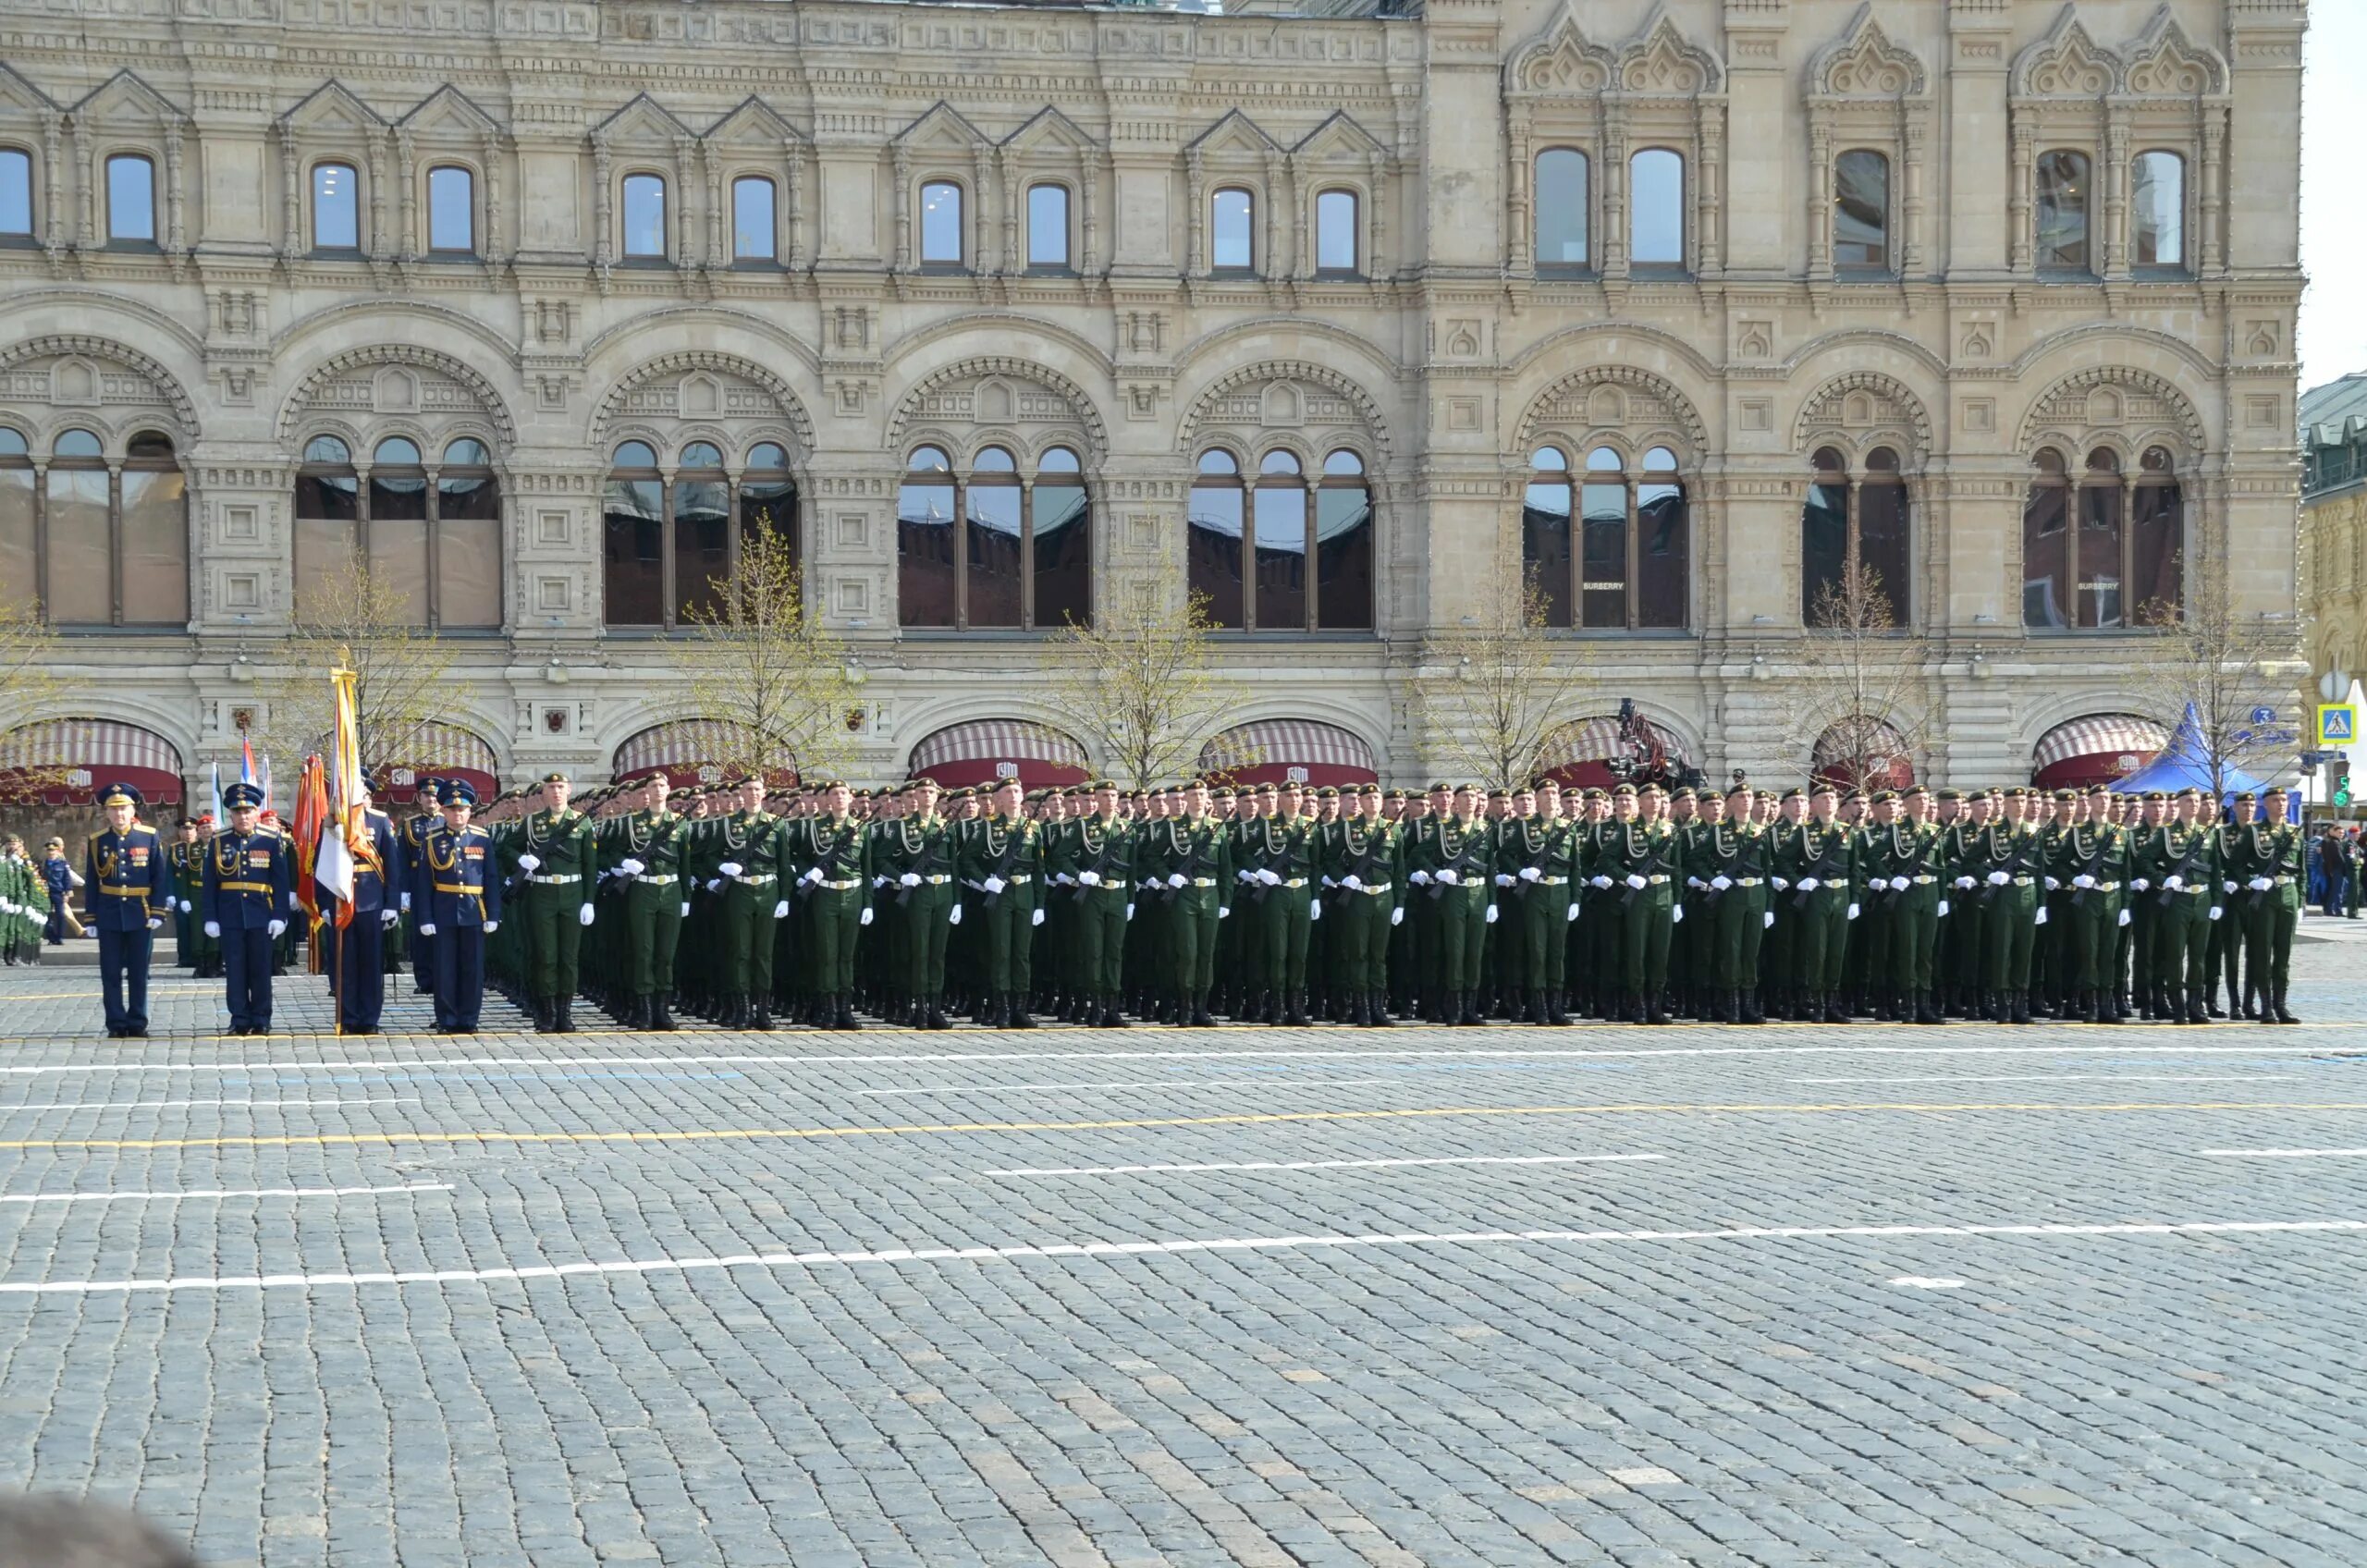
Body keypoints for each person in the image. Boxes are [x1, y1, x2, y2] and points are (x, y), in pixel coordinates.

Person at [501, 772, 596, 1034]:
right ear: (544, 792)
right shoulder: (532, 823)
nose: (556, 791)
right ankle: (547, 1012)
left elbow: (590, 865)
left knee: (568, 956)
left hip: (573, 893)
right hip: (541, 894)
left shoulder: (583, 823)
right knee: (546, 956)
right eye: (551, 787)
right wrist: (521, 860)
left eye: (560, 787)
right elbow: (506, 848)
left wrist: (589, 901)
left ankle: (565, 1012)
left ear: (569, 790)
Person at [201, 781, 292, 1036]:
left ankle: (262, 1018)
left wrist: (279, 915)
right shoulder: (219, 840)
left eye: (248, 811)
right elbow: (210, 882)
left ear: (256, 812)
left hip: (261, 912)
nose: (243, 816)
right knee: (236, 970)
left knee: (261, 969)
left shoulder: (271, 839)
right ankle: (239, 1018)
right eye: (238, 811)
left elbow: (281, 882)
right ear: (230, 814)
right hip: (229, 914)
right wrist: (210, 917)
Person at [83, 782, 174, 1038]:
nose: (119, 814)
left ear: (132, 809)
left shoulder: (149, 836)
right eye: (113, 809)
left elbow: (159, 877)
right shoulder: (97, 841)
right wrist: (91, 916)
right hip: (109, 912)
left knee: (138, 972)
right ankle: (115, 1022)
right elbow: (92, 881)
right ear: (106, 812)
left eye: (123, 808)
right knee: (110, 972)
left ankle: (137, 1021)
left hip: (140, 912)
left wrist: (157, 911)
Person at [412, 778, 501, 1033]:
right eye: (452, 809)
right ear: (443, 811)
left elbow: (491, 878)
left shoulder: (482, 839)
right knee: (445, 970)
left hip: (474, 911)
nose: (457, 813)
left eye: (462, 809)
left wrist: (493, 913)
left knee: (472, 970)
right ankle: (448, 1019)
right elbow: (424, 883)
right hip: (444, 911)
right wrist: (426, 918)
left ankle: (469, 1019)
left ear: (470, 811)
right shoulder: (432, 840)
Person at [321, 783, 400, 1035]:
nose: (359, 798)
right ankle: (348, 1017)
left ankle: (369, 1018)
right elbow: (322, 863)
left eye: (363, 794)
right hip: (340, 899)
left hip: (371, 901)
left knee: (371, 963)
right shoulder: (333, 822)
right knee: (345, 963)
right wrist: (323, 904)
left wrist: (392, 904)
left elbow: (392, 865)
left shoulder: (379, 821)